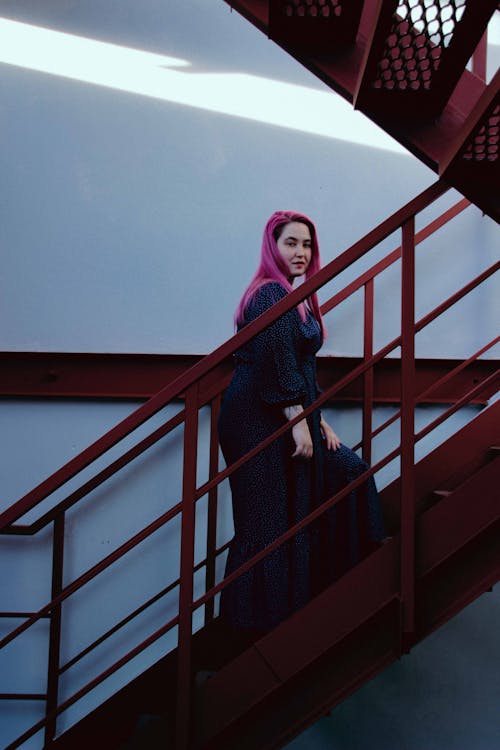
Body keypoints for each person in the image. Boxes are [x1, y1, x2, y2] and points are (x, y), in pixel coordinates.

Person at [218, 211, 385, 634]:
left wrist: (317, 420)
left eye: (307, 245)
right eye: (291, 243)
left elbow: (298, 365)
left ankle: (291, 612)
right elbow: (276, 358)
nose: (301, 253)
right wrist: (297, 417)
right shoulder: (271, 294)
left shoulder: (295, 297)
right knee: (265, 521)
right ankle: (249, 632)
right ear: (272, 247)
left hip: (283, 411)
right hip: (259, 417)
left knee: (343, 475)